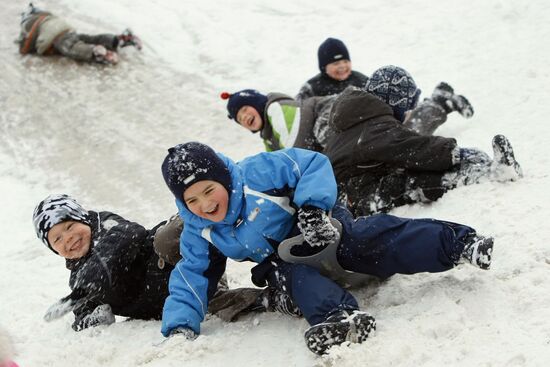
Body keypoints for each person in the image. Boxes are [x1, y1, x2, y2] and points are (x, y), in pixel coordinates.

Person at [160, 141, 494, 355]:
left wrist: (312, 209)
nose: (204, 204)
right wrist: (180, 325)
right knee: (293, 279)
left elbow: (310, 163)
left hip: (316, 227)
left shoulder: (255, 173)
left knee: (367, 240)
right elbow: (192, 275)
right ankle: (341, 318)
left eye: (208, 190)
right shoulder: (198, 230)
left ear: (223, 178)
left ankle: (458, 244)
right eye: (191, 199)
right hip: (280, 261)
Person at [32, 194, 296, 332]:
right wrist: (88, 317)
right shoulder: (80, 281)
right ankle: (273, 300)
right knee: (216, 306)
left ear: (83, 218)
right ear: (55, 250)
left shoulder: (106, 226)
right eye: (57, 239)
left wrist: (83, 289)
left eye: (69, 226)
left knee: (166, 235)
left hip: (176, 257)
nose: (68, 239)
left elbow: (129, 235)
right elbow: (86, 311)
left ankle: (251, 218)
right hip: (178, 295)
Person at [325, 66, 523, 216]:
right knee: (411, 180)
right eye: (408, 104)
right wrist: (456, 154)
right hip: (350, 202)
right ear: (396, 101)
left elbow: (405, 141)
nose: (409, 110)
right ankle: (486, 174)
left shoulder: (362, 116)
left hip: (348, 190)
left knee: (411, 158)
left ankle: (441, 105)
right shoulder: (375, 128)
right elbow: (415, 148)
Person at [18, 3, 142, 65]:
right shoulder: (49, 16)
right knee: (88, 38)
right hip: (68, 30)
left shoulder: (30, 22)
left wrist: (23, 49)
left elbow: (27, 42)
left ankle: (96, 53)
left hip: (56, 36)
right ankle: (119, 39)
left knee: (71, 48)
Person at [295, 37, 369, 102]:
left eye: (345, 61)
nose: (342, 66)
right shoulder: (312, 88)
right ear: (324, 67)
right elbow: (300, 110)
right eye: (336, 63)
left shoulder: (362, 81)